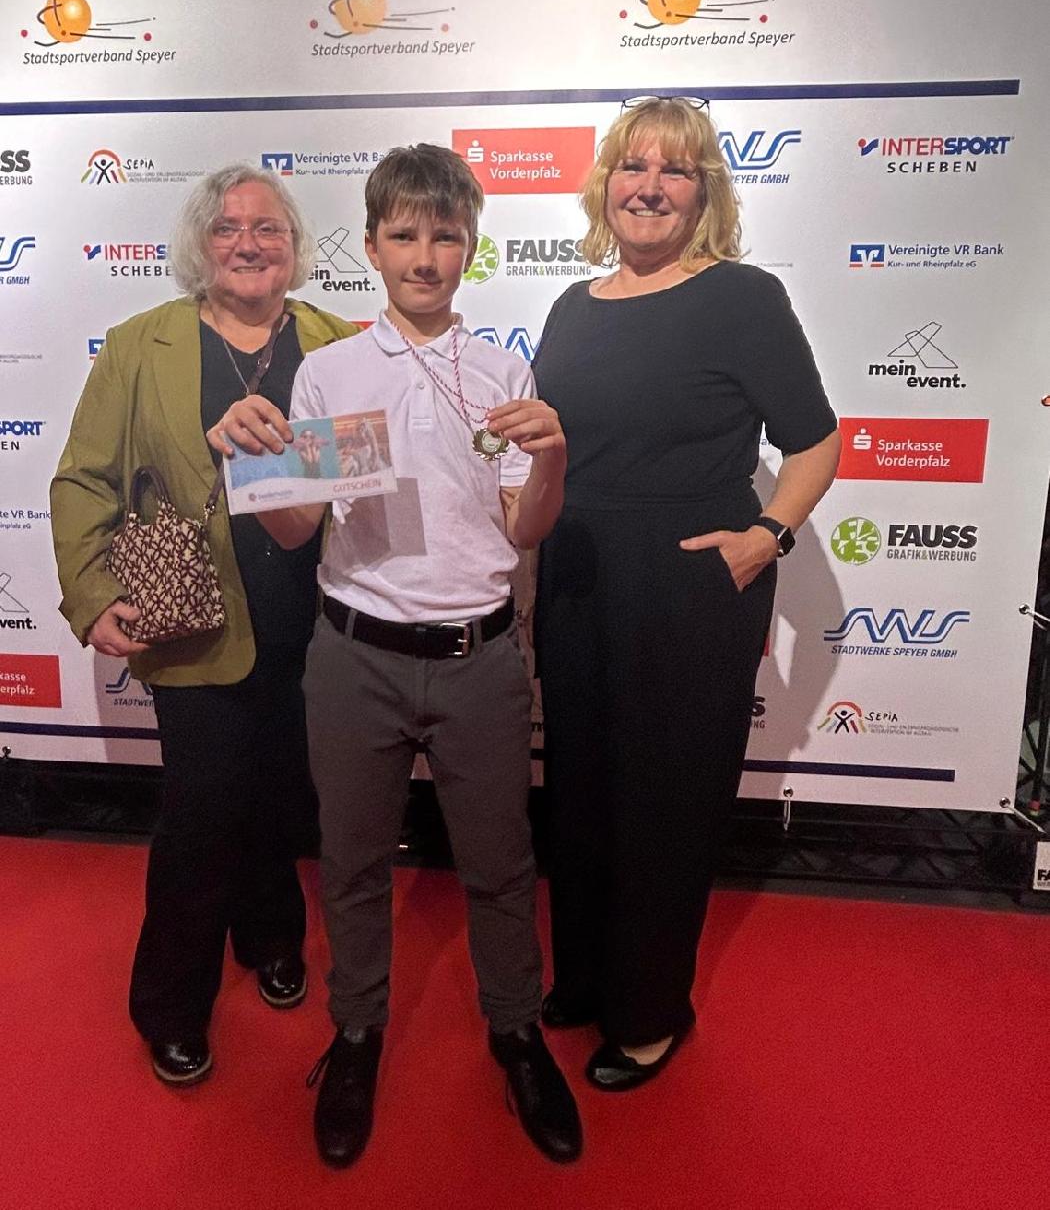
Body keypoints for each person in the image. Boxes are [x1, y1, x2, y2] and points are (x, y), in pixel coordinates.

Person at [209, 144, 582, 1167]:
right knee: (354, 863)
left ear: (470, 246)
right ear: (371, 246)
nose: (425, 256)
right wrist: (251, 462)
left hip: (479, 653)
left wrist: (552, 456)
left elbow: (525, 527)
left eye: (445, 236)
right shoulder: (329, 371)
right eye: (404, 234)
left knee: (501, 865)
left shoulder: (504, 369)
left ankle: (517, 1030)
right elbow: (295, 528)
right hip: (355, 654)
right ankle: (358, 1030)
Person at [531, 97, 840, 1090]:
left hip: (690, 584)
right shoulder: (571, 306)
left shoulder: (742, 298)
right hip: (578, 580)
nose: (649, 187)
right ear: (605, 185)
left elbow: (815, 440)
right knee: (580, 788)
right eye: (633, 166)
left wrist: (766, 536)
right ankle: (585, 974)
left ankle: (650, 1011)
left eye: (674, 170)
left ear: (705, 191)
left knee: (664, 799)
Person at [50, 165, 355, 1086]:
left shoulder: (341, 342)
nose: (249, 243)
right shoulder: (140, 345)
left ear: (295, 245)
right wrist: (91, 593)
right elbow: (83, 478)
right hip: (194, 621)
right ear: (199, 244)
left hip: (322, 622)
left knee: (285, 799)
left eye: (268, 228)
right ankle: (171, 1003)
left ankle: (271, 937)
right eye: (228, 229)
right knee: (202, 816)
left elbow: (370, 475)